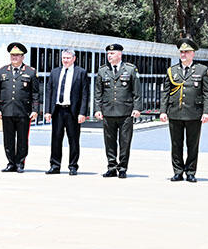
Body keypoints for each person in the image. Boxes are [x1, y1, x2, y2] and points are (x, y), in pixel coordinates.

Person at [159, 39, 208, 182]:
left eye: (186, 52)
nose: (183, 54)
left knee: (192, 144)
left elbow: (207, 93)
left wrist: (206, 112)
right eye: (181, 52)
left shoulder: (202, 70)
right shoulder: (172, 71)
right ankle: (177, 171)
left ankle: (190, 172)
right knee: (176, 144)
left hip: (194, 113)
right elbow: (165, 92)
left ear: (193, 54)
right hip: (175, 112)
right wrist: (163, 111)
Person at [94, 43, 141, 178]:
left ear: (119, 54)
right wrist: (98, 109)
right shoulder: (103, 70)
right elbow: (98, 92)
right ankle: (111, 166)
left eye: (112, 53)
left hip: (125, 112)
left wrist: (137, 108)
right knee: (109, 141)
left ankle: (122, 168)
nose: (109, 56)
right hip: (108, 111)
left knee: (125, 141)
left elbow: (137, 91)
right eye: (108, 53)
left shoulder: (130, 69)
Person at [0, 42, 40, 173]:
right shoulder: (2, 71)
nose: (14, 57)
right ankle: (11, 162)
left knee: (22, 139)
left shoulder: (30, 72)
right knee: (8, 139)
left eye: (17, 55)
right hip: (6, 110)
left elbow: (35, 93)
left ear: (22, 57)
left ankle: (20, 163)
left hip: (23, 111)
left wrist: (35, 110)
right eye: (12, 55)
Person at [44, 48, 90, 175]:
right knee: (56, 139)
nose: (65, 60)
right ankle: (55, 165)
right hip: (57, 110)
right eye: (64, 58)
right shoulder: (55, 72)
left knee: (73, 140)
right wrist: (47, 111)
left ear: (74, 59)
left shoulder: (80, 72)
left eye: (68, 58)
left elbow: (85, 94)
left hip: (72, 111)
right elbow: (49, 92)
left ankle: (73, 166)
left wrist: (82, 113)